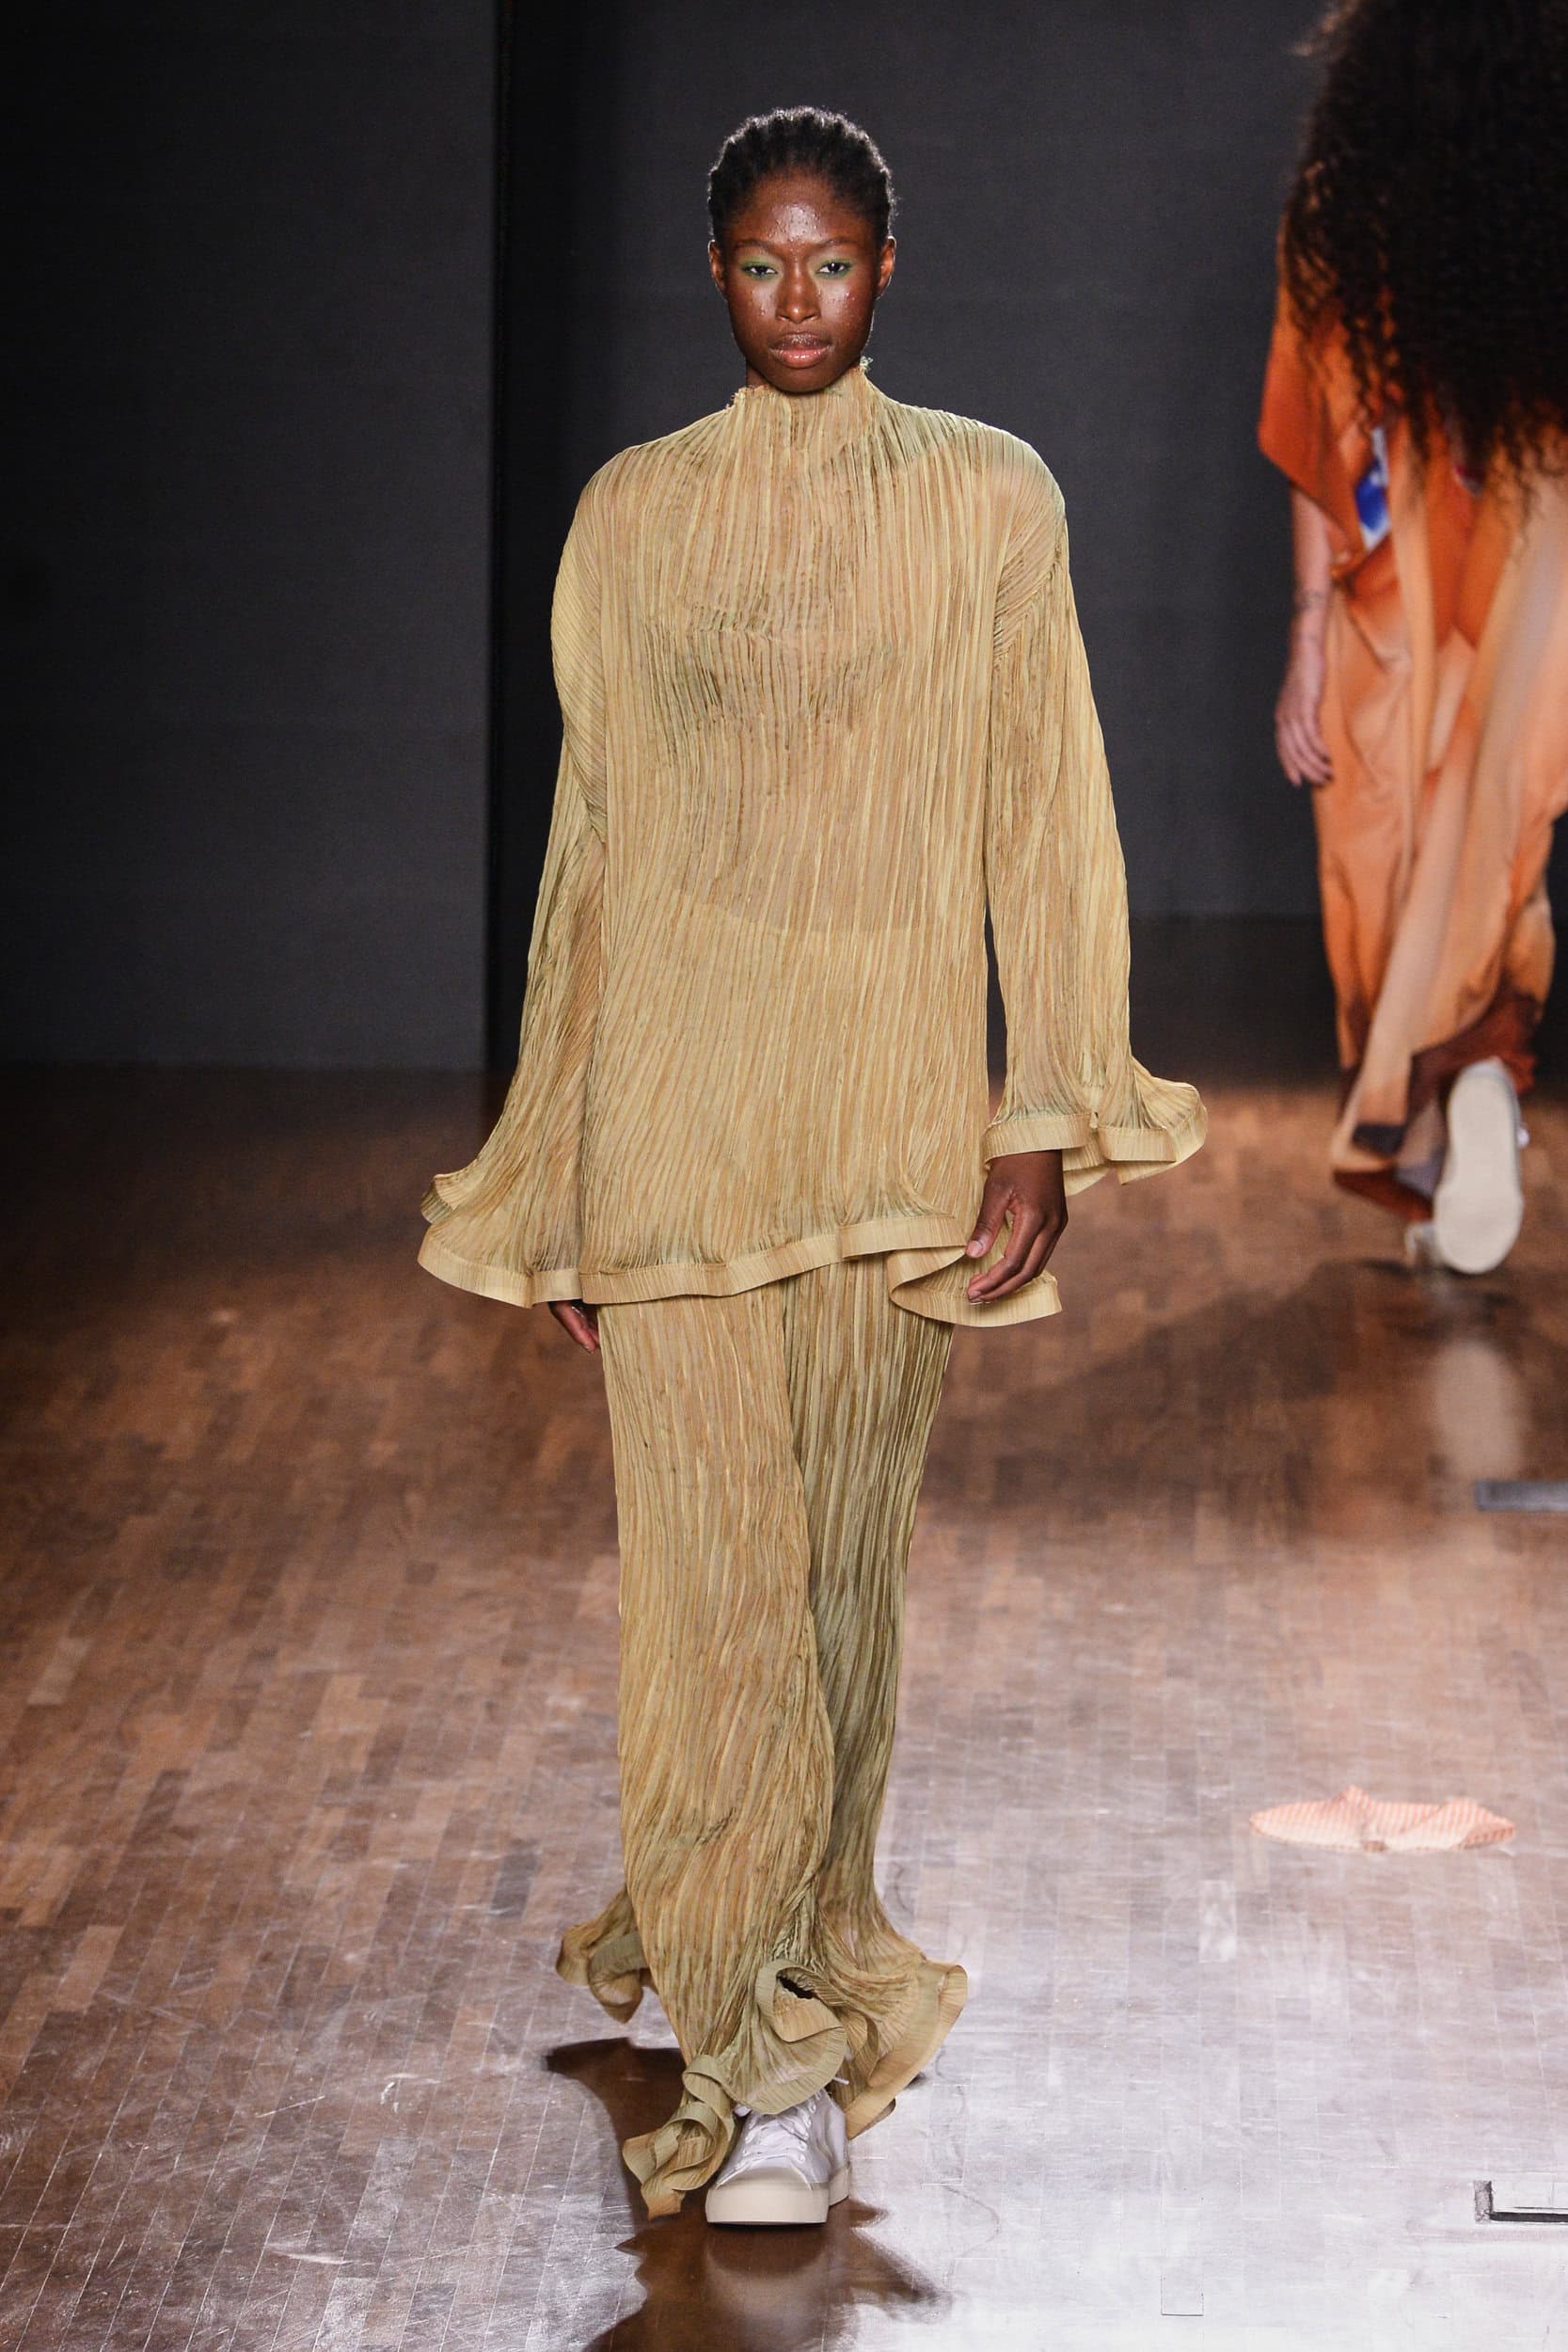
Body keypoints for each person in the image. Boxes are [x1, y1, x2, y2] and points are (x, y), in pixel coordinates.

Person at [419, 107, 1203, 2224]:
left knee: (839, 1594)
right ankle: (754, 2066)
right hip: (674, 1121)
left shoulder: (989, 497)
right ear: (715, 270)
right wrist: (556, 1161)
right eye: (762, 264)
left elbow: (1046, 809)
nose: (797, 302)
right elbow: (591, 847)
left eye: (832, 264)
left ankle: (785, 1935)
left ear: (887, 270)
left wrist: (1039, 1112)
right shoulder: (634, 509)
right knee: (713, 1605)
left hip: (886, 1127)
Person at [1262, 0, 1568, 1273]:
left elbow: (1319, 442)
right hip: (1538, 586)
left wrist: (1308, 638)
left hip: (1394, 589)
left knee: (1382, 863)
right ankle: (1478, 1079)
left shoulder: (1345, 207)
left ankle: (1450, 1102)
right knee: (1486, 852)